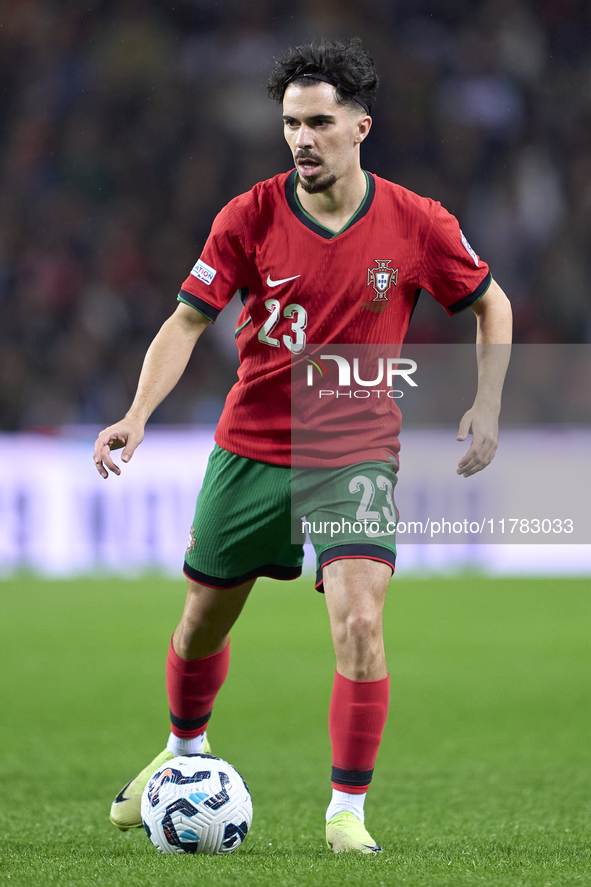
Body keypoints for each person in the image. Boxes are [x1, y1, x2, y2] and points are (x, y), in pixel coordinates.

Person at [94, 38, 512, 854]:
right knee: (199, 628)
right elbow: (186, 321)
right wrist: (138, 414)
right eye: (290, 123)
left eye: (318, 122)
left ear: (360, 127)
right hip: (249, 446)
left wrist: (487, 402)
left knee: (360, 621)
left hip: (353, 450)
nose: (301, 139)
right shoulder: (246, 217)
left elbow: (489, 304)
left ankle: (345, 811)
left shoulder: (418, 222)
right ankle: (182, 756)